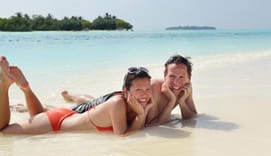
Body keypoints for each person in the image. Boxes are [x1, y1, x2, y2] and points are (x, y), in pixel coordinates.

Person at [0, 56, 152, 136]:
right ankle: (3, 85)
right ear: (126, 91)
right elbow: (122, 139)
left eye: (147, 89)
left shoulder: (137, 102)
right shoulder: (117, 103)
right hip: (57, 123)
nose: (145, 94)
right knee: (0, 131)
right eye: (139, 90)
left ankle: (26, 89)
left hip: (66, 116)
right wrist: (141, 114)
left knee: (38, 115)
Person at [61, 54, 197, 126]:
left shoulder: (186, 88)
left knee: (92, 100)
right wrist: (172, 100)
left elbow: (191, 117)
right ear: (164, 76)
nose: (177, 82)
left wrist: (182, 102)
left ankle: (72, 96)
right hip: (117, 103)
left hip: (117, 108)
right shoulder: (154, 88)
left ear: (189, 78)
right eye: (172, 76)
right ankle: (69, 98)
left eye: (181, 77)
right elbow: (149, 124)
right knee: (77, 111)